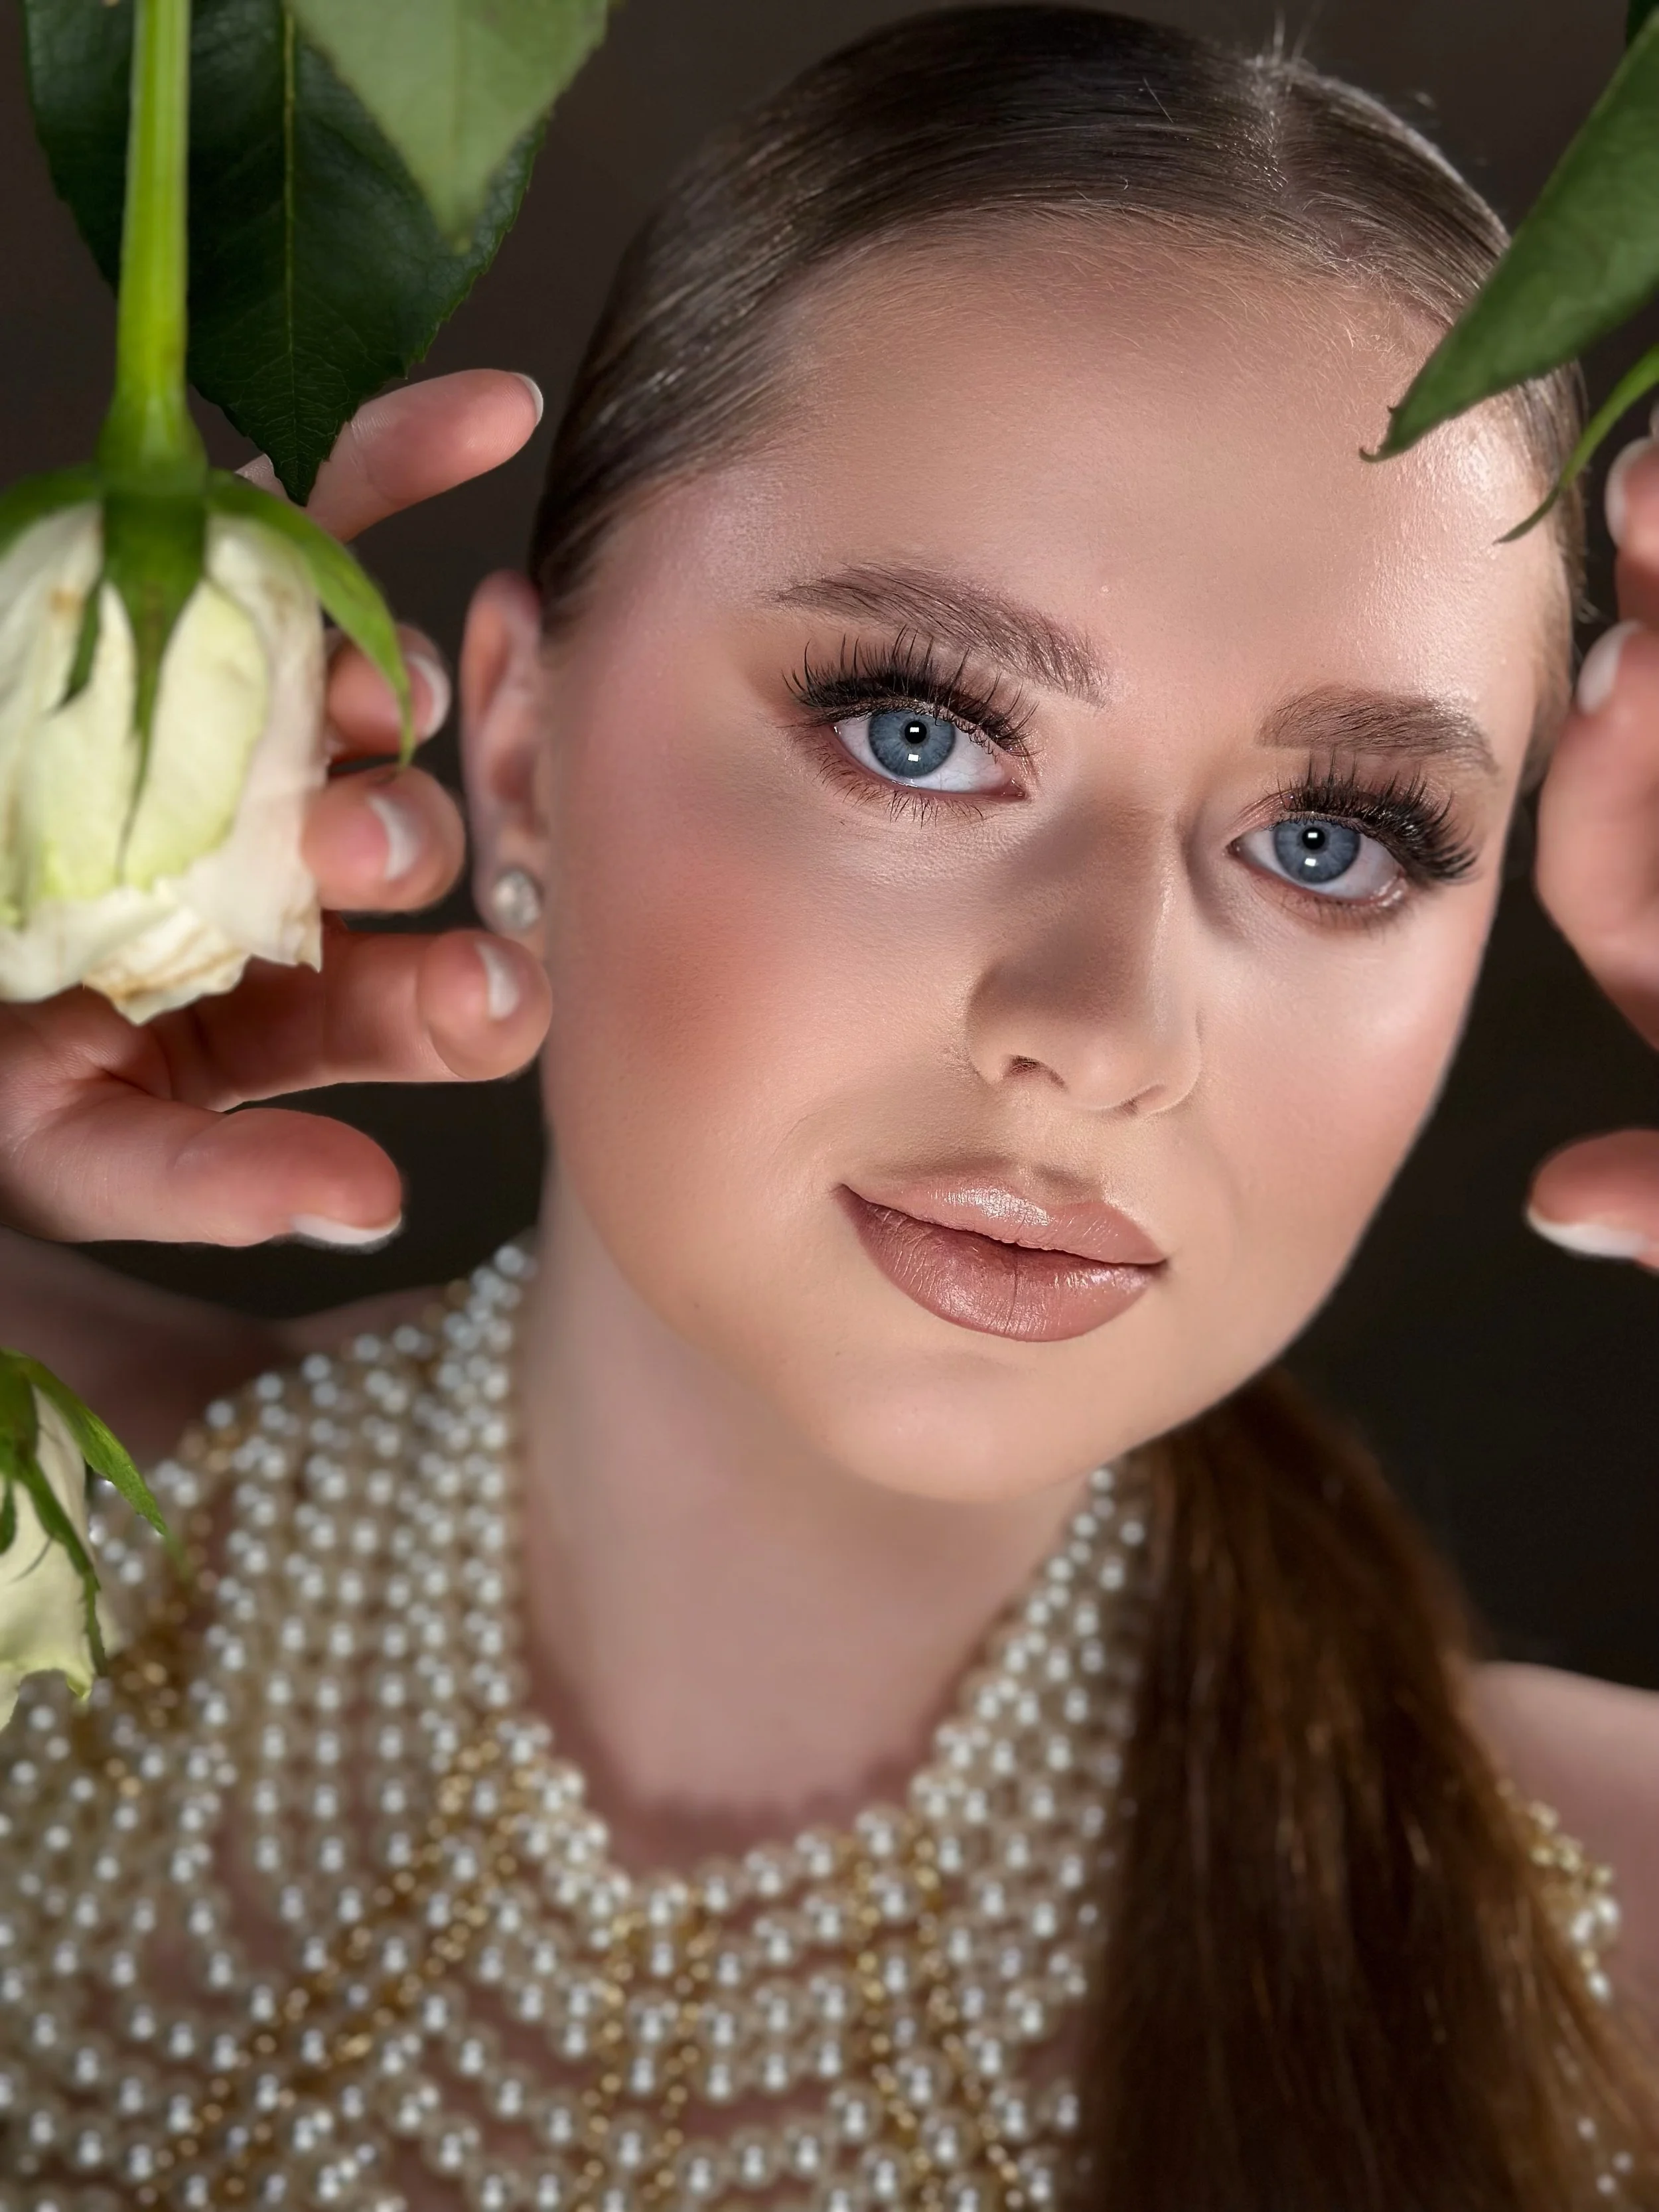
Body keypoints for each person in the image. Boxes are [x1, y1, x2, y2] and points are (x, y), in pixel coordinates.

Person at [1, 8, 1657, 2207]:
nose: (1099, 1025)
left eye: (1334, 837)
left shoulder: (1600, 1914)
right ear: (514, 753)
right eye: (914, 733)